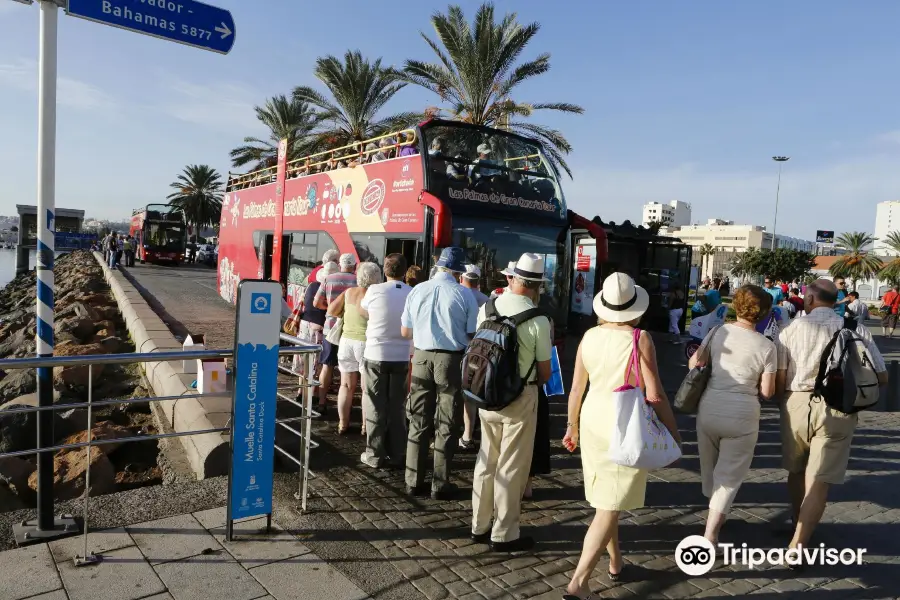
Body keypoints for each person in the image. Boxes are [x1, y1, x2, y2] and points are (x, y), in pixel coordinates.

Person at [563, 273, 681, 595]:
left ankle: (615, 562)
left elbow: (576, 388)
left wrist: (571, 425)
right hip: (623, 422)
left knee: (607, 499)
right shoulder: (639, 338)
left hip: (591, 416)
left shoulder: (589, 336)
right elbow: (655, 394)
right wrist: (672, 430)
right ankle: (578, 582)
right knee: (608, 507)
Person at [775, 279, 888, 560]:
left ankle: (796, 517)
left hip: (796, 403)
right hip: (839, 408)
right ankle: (799, 546)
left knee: (797, 470)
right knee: (820, 479)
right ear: (835, 300)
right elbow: (882, 375)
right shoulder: (854, 329)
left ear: (810, 299)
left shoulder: (790, 329)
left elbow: (778, 376)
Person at [471, 253, 552, 553]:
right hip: (520, 397)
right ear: (536, 286)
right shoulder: (538, 320)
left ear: (514, 278)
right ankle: (504, 533)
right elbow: (544, 373)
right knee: (511, 465)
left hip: (485, 393)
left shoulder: (487, 307)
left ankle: (479, 525)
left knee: (486, 459)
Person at [689, 285, 777, 544]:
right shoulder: (767, 346)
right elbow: (768, 391)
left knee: (709, 468)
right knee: (729, 475)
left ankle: (716, 511)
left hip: (710, 407)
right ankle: (712, 531)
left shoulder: (718, 332)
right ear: (763, 313)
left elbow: (694, 363)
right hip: (743, 414)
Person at [401, 247, 479, 500]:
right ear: (458, 271)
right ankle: (440, 483)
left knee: (418, 418)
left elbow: (405, 332)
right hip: (451, 359)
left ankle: (412, 479)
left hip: (422, 356)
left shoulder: (417, 290)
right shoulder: (464, 294)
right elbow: (470, 334)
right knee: (447, 421)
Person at [358, 254, 412, 468]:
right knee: (398, 406)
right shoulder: (411, 293)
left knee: (375, 405)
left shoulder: (374, 290)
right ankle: (398, 452)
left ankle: (374, 454)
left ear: (385, 270)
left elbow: (364, 312)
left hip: (376, 353)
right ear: (405, 272)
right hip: (401, 356)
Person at [327, 262, 381, 435]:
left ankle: (343, 424)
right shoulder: (376, 295)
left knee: (345, 385)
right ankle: (365, 426)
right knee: (366, 389)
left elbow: (331, 310)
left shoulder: (348, 292)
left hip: (346, 342)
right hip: (366, 344)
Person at [314, 253, 358, 421]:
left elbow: (316, 302)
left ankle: (322, 402)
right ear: (354, 266)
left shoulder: (329, 278)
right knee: (349, 370)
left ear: (340, 265)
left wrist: (331, 309)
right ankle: (347, 404)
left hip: (330, 328)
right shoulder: (357, 281)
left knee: (327, 366)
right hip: (350, 328)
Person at [300, 262, 339, 416]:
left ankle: (302, 394)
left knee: (308, 365)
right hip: (321, 331)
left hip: (307, 327)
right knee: (320, 365)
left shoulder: (311, 286)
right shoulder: (330, 289)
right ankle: (315, 396)